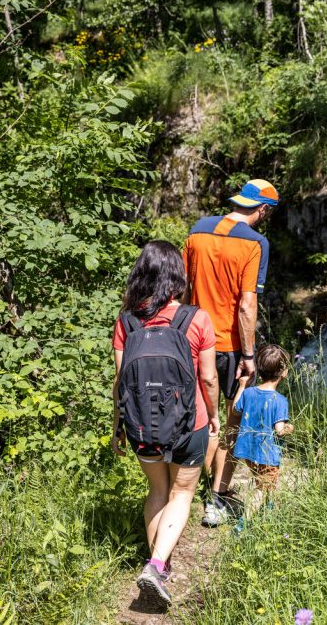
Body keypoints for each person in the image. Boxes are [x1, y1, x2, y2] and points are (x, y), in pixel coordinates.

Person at [111, 241, 220, 606]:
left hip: (141, 425)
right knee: (182, 493)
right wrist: (215, 415)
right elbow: (208, 379)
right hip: (191, 423)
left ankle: (160, 566)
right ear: (177, 275)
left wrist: (117, 426)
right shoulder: (196, 318)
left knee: (157, 492)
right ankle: (157, 565)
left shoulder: (126, 321)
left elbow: (120, 380)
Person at [182, 178, 279, 527]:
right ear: (263, 209)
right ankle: (217, 500)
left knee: (199, 418)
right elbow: (246, 304)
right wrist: (250, 355)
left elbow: (185, 286)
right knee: (231, 423)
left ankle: (187, 491)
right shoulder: (256, 243)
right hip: (228, 344)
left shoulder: (197, 231)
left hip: (190, 335)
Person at [230, 344, 294, 516]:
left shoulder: (249, 393)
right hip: (268, 453)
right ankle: (243, 523)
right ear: (284, 372)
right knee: (262, 487)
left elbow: (235, 410)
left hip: (248, 450)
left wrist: (242, 386)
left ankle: (269, 507)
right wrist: (290, 428)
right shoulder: (279, 400)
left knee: (264, 481)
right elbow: (279, 430)